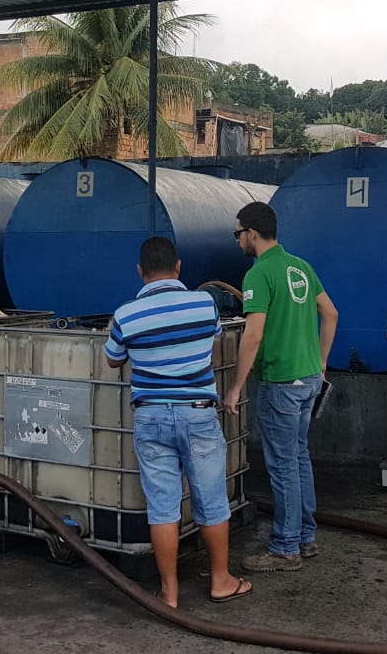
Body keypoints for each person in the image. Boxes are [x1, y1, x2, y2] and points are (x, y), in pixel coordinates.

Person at [106, 236, 253, 608]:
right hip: (198, 413)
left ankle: (169, 593)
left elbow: (113, 360)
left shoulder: (125, 315)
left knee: (162, 508)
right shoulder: (204, 304)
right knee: (211, 500)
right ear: (179, 267)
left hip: (151, 417)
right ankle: (220, 581)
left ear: (140, 272)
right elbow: (213, 336)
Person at [223, 201, 338, 573]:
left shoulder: (259, 274)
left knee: (284, 465)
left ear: (252, 233)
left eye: (238, 233)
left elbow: (253, 336)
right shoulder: (300, 266)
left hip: (282, 383)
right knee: (298, 457)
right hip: (308, 378)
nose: (237, 240)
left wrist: (236, 386)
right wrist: (321, 361)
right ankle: (304, 536)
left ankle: (285, 548)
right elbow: (331, 314)